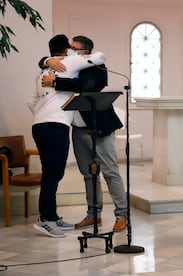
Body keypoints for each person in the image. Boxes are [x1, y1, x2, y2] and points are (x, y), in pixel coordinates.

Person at [40, 35, 128, 232]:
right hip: (78, 128)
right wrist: (46, 61)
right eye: (68, 48)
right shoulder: (65, 65)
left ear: (85, 52)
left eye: (73, 48)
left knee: (110, 171)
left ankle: (122, 214)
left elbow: (87, 86)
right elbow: (44, 61)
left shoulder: (96, 67)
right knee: (88, 174)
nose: (68, 51)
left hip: (99, 125)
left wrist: (56, 82)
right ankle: (93, 215)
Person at [28, 34, 106, 238]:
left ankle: (51, 216)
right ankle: (45, 220)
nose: (72, 51)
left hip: (39, 125)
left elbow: (31, 102)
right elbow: (99, 57)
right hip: (55, 125)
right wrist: (60, 59)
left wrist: (46, 61)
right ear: (65, 51)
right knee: (54, 174)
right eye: (70, 48)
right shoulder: (69, 62)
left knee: (50, 172)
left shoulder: (42, 72)